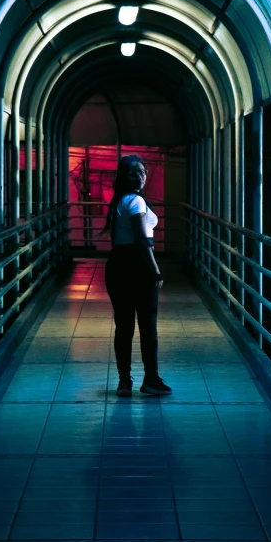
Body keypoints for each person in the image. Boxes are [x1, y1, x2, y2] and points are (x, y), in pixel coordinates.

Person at [103, 155, 172, 397]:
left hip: (118, 264)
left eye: (142, 172)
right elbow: (142, 239)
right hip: (137, 265)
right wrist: (154, 269)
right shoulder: (136, 202)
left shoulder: (120, 201)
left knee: (123, 326)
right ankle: (150, 379)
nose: (140, 177)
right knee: (147, 325)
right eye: (133, 173)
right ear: (122, 177)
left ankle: (124, 382)